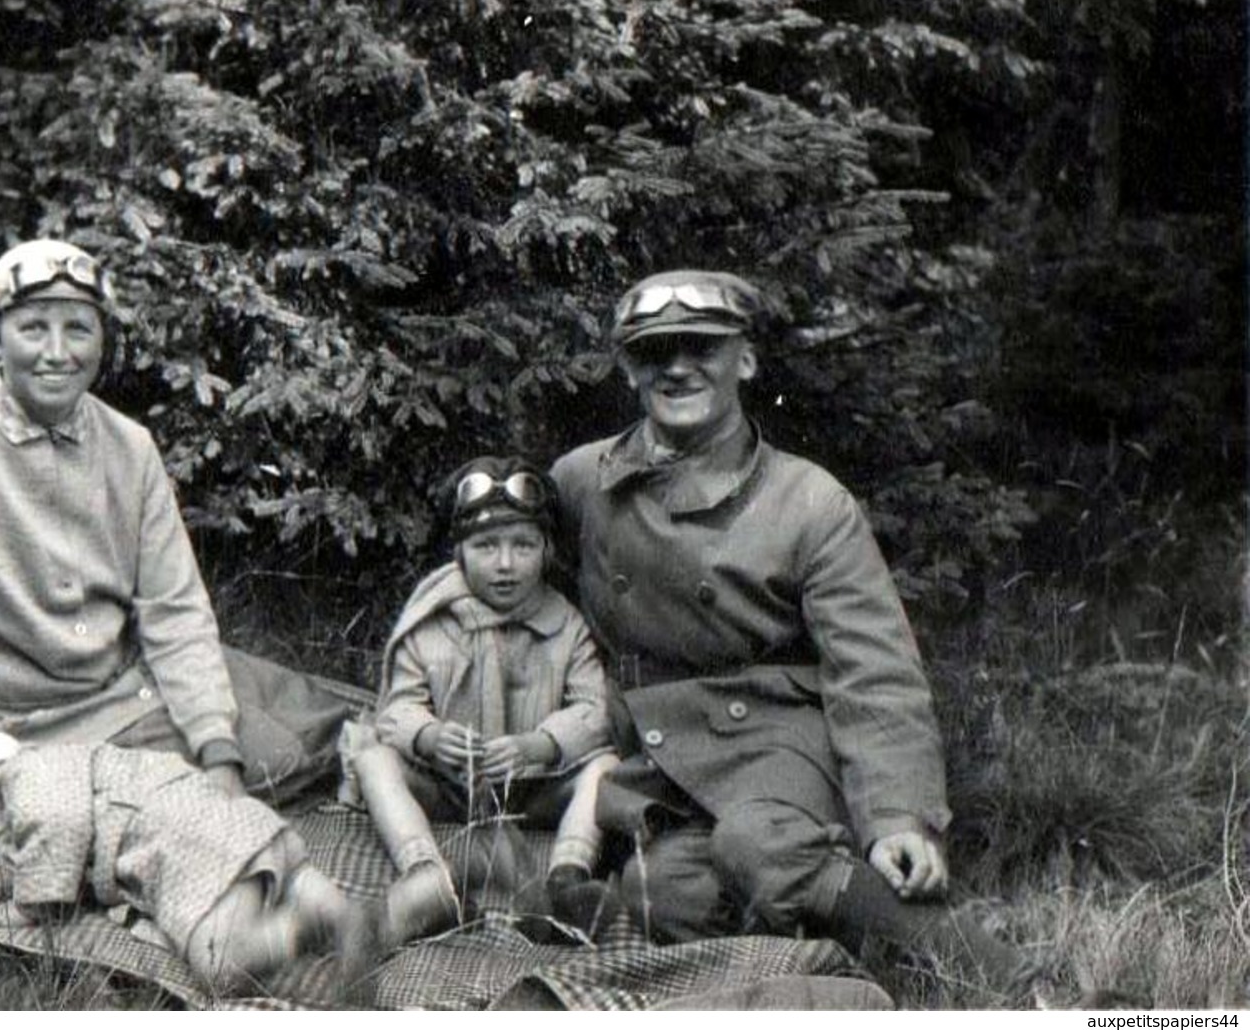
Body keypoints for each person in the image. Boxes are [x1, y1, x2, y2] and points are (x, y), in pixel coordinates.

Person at [549, 270, 1027, 994]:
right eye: (655, 352)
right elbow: (508, 583)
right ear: (629, 370)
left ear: (743, 360)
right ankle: (820, 968)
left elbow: (875, 670)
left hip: (780, 738)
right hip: (663, 757)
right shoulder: (583, 480)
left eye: (701, 347)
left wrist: (897, 818)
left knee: (757, 844)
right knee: (665, 892)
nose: (678, 367)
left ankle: (1003, 980)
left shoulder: (806, 501)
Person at [0, 238, 346, 867]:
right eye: (33, 328)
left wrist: (218, 756)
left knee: (282, 757)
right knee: (132, 836)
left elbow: (174, 612)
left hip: (125, 700)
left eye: (78, 329)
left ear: (101, 340)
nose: (57, 354)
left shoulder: (131, 447)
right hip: (12, 733)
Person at [346, 457, 620, 946]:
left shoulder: (566, 624)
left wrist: (541, 744)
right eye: (486, 546)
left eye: (524, 545)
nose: (506, 564)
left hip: (534, 787)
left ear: (547, 550)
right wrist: (428, 737)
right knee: (373, 758)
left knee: (605, 766)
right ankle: (427, 875)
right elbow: (396, 708)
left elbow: (595, 711)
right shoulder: (432, 620)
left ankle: (567, 877)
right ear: (459, 553)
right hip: (452, 786)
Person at [0, 730, 377, 995]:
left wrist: (26, 911)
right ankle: (336, 909)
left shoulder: (30, 775)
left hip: (177, 838)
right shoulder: (33, 798)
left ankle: (299, 927)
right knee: (288, 873)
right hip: (235, 824)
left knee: (220, 967)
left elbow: (57, 829)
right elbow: (22, 852)